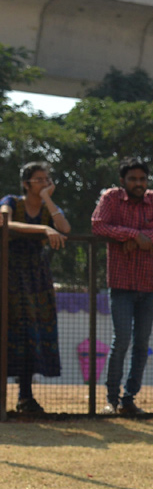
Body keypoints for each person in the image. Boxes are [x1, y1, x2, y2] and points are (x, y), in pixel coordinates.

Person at [91, 158, 153, 415]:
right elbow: (98, 225)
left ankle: (129, 399)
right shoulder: (111, 198)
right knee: (121, 340)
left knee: (141, 343)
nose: (138, 183)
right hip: (120, 283)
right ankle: (111, 399)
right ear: (123, 181)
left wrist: (146, 238)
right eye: (133, 179)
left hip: (150, 284)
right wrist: (131, 235)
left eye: (142, 179)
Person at [1, 162, 69, 415]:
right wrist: (42, 228)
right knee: (7, 330)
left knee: (32, 333)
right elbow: (3, 220)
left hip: (35, 279)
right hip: (7, 274)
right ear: (26, 183)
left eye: (46, 179)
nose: (44, 182)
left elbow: (64, 228)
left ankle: (25, 398)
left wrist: (47, 200)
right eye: (38, 179)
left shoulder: (46, 208)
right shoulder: (12, 201)